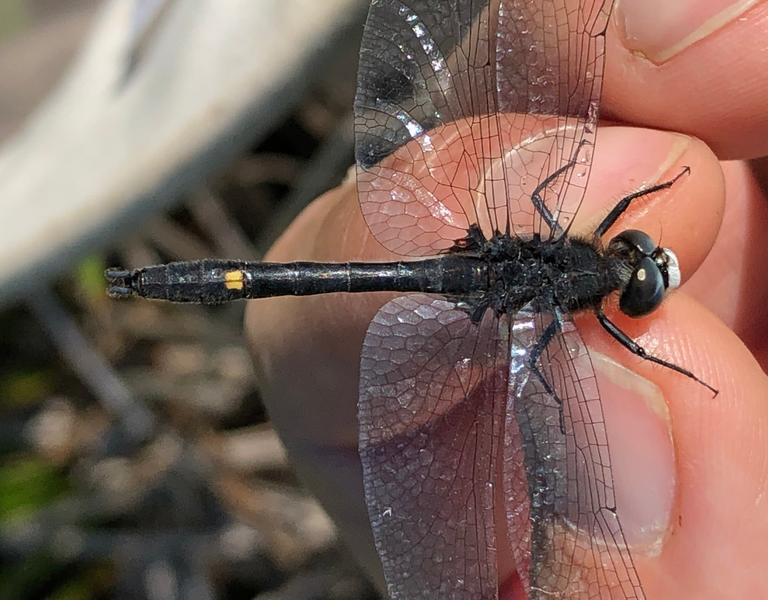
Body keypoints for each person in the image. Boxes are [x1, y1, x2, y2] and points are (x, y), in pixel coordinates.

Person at [245, 1, 768, 597]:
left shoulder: (572, 248)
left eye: (638, 266)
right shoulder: (583, 309)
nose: (640, 257)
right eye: (638, 253)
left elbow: (548, 199)